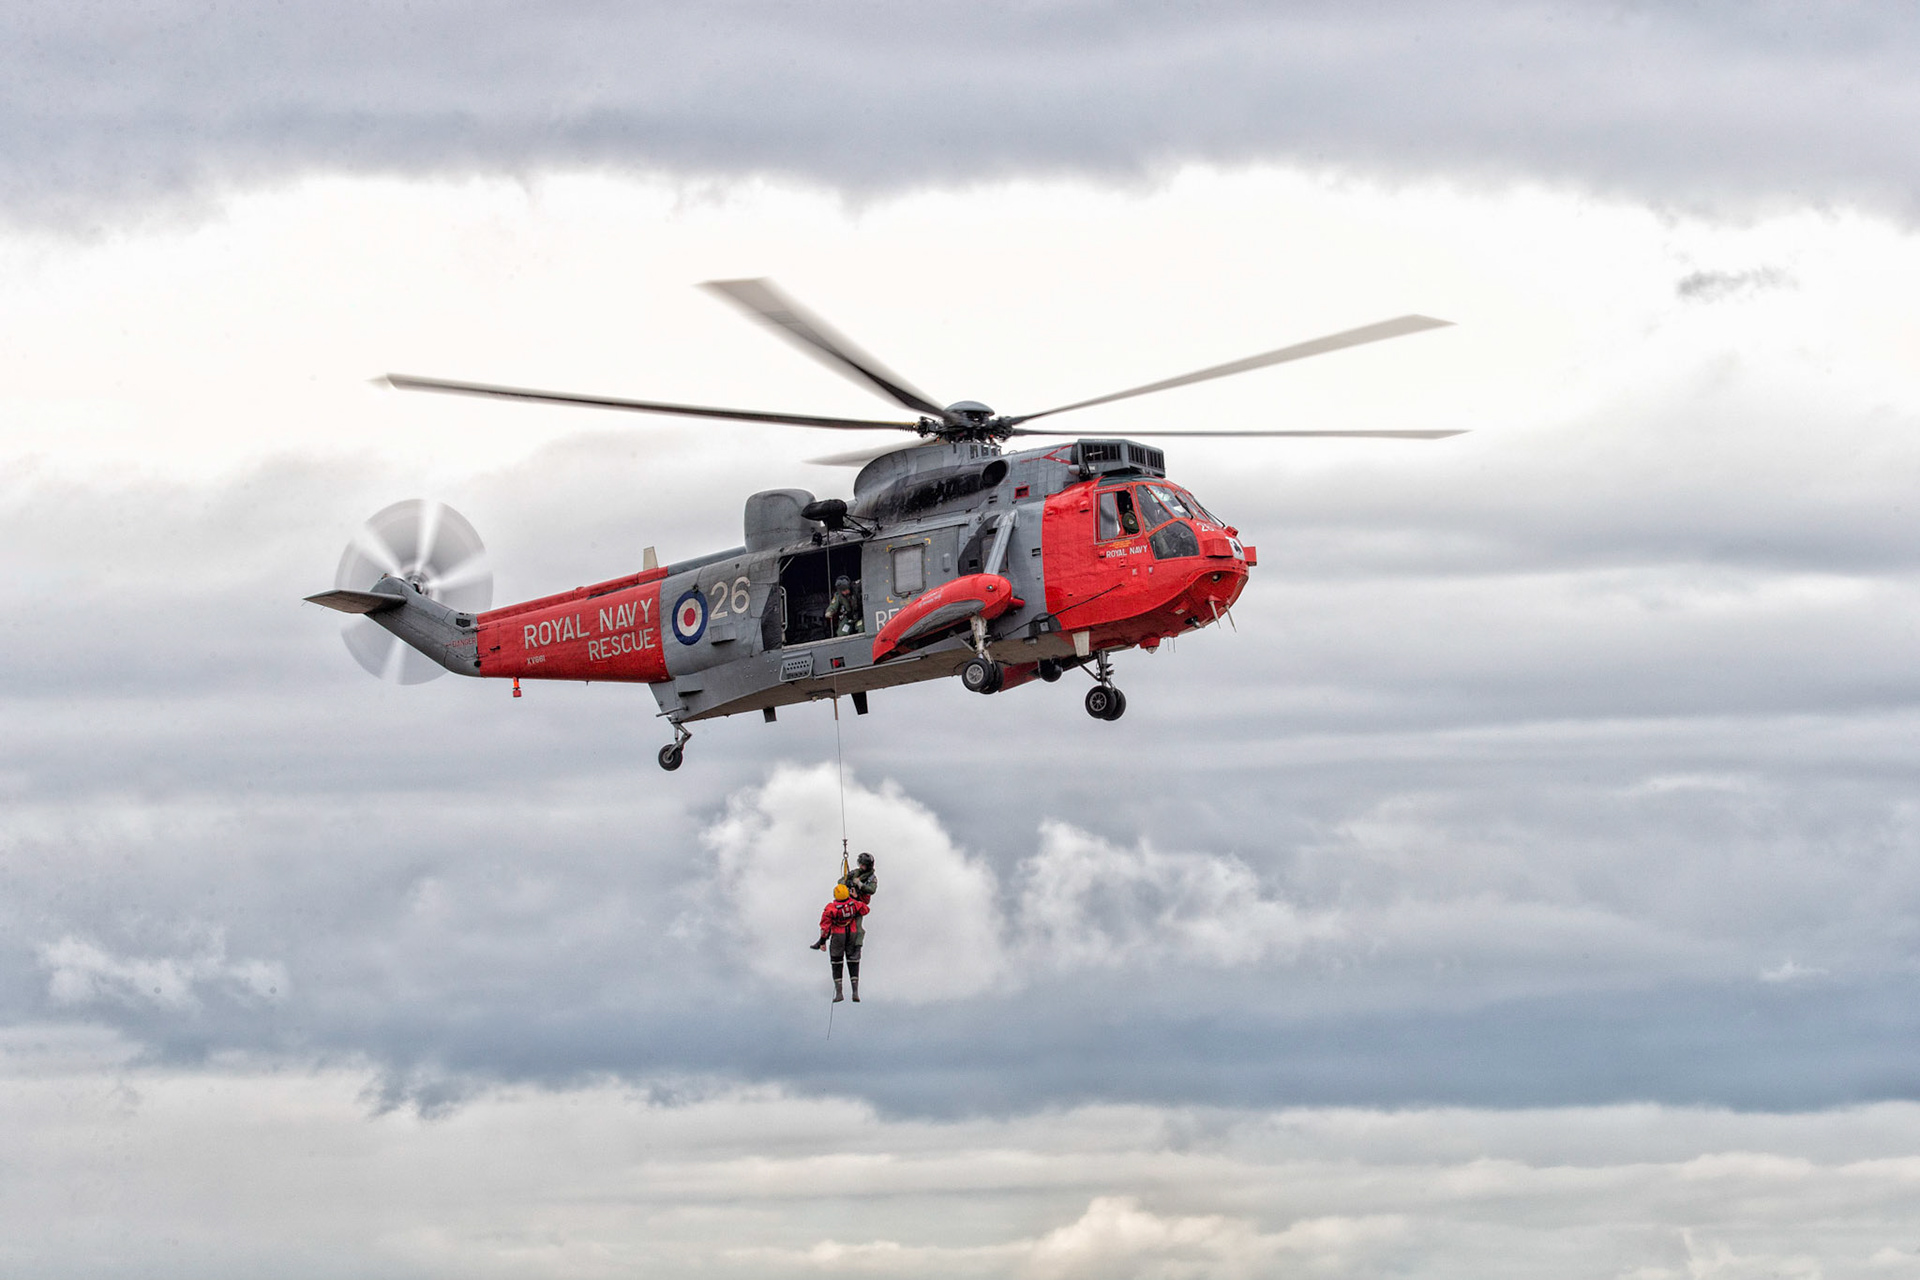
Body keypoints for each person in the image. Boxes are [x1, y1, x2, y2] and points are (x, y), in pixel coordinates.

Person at [808, 883, 870, 1002]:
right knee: (853, 961)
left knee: (837, 962)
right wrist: (855, 898)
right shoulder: (854, 904)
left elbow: (825, 926)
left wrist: (822, 941)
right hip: (851, 932)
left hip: (838, 934)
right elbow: (865, 910)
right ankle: (855, 991)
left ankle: (839, 993)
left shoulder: (832, 908)